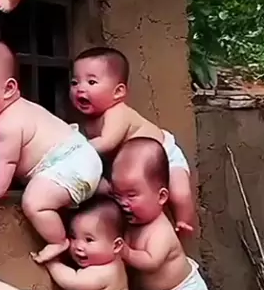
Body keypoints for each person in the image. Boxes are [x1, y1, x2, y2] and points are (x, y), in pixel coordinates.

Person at [0, 38, 102, 263]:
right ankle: (103, 187)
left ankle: (58, 241)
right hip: (80, 158)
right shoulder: (20, 110)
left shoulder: (7, 123)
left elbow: (6, 161)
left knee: (34, 203)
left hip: (69, 164)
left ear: (9, 89)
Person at [111, 138, 210, 290]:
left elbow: (151, 262)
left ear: (162, 196)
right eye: (118, 195)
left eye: (132, 195)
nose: (123, 203)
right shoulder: (134, 224)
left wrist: (126, 252)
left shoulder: (160, 231)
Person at [70, 47, 194, 233]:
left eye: (92, 82)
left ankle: (183, 221)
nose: (80, 88)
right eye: (74, 82)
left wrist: (73, 149)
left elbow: (106, 143)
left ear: (118, 92)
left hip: (164, 155)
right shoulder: (87, 122)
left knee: (179, 192)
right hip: (134, 167)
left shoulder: (118, 113)